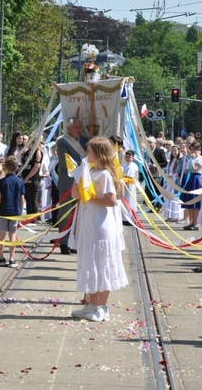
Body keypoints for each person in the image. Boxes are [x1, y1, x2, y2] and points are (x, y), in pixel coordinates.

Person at [70, 137, 128, 322]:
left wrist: (91, 197)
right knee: (90, 264)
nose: (86, 154)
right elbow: (75, 194)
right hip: (88, 224)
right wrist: (77, 185)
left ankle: (102, 306)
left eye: (89, 151)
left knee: (103, 265)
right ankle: (91, 305)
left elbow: (111, 200)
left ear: (99, 153)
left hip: (102, 226)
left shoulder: (104, 174)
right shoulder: (88, 171)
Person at [55, 117, 88, 255]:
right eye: (77, 128)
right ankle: (64, 242)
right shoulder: (62, 142)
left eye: (80, 127)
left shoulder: (84, 140)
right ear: (68, 128)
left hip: (84, 183)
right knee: (66, 214)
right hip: (68, 183)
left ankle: (75, 242)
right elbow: (65, 161)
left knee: (81, 214)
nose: (80, 131)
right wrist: (85, 164)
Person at [0, 156, 25, 268]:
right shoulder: (20, 182)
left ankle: (1, 258)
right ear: (17, 168)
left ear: (5, 167)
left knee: (1, 235)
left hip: (3, 211)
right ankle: (12, 258)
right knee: (12, 235)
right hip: (15, 212)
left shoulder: (2, 182)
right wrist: (21, 213)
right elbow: (22, 200)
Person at [179, 141, 202, 231]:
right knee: (189, 202)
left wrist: (193, 160)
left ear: (198, 150)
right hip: (189, 179)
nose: (192, 152)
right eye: (191, 150)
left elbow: (195, 169)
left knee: (195, 202)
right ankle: (191, 222)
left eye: (194, 150)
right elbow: (186, 169)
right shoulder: (191, 159)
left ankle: (195, 222)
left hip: (195, 179)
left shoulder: (200, 159)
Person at [20, 139, 43, 220]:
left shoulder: (37, 152)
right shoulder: (27, 152)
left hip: (33, 179)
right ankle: (29, 218)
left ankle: (34, 219)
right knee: (28, 199)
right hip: (25, 179)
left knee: (33, 200)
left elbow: (36, 166)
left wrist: (28, 177)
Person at [162, 145, 184, 222]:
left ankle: (175, 216)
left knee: (174, 198)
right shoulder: (171, 161)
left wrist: (172, 176)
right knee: (169, 198)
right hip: (169, 182)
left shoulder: (179, 161)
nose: (174, 152)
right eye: (173, 151)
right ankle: (170, 215)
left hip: (175, 182)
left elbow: (178, 173)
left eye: (175, 151)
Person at [120, 150, 140, 226]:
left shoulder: (132, 166)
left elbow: (129, 177)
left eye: (129, 157)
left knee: (130, 201)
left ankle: (130, 218)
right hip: (124, 185)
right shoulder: (125, 165)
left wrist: (122, 177)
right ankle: (125, 218)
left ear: (133, 157)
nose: (128, 158)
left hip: (129, 186)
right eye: (127, 157)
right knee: (125, 202)